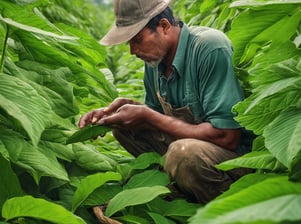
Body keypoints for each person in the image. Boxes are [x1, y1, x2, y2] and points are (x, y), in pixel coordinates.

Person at [78, 0, 252, 204]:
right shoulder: (155, 61)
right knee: (124, 127)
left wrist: (146, 115)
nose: (133, 51)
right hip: (193, 147)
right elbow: (156, 117)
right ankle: (176, 190)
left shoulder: (209, 47)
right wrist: (120, 111)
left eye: (137, 40)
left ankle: (227, 208)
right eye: (129, 43)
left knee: (184, 155)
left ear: (164, 26)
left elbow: (227, 137)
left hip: (234, 160)